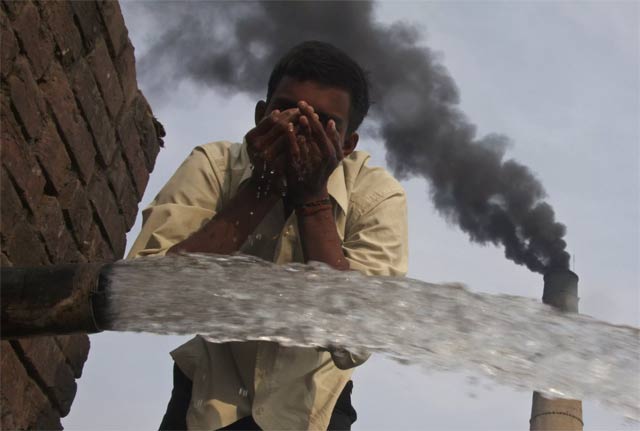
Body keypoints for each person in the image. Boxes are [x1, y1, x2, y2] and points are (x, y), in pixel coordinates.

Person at [128, 41, 408, 430]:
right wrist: (261, 188)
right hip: (207, 395)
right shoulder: (215, 165)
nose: (299, 130)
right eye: (286, 112)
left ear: (346, 146)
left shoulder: (377, 196)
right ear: (261, 114)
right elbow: (143, 295)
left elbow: (356, 339)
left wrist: (312, 200)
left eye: (322, 123)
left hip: (313, 409)